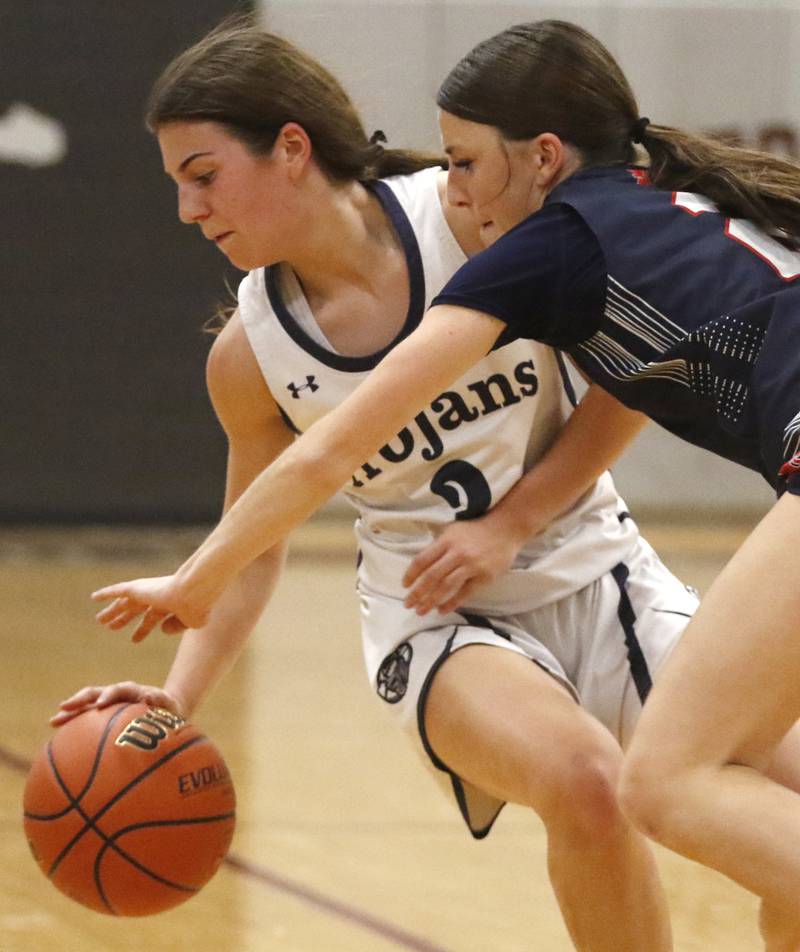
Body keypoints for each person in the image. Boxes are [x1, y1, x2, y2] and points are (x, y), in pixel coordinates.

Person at [78, 19, 800, 946]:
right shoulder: (250, 357)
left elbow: (638, 371)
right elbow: (259, 538)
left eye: (203, 174)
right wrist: (177, 698)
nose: (187, 209)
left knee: (768, 793)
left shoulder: (473, 215)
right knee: (585, 779)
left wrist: (515, 519)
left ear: (290, 149)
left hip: (596, 564)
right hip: (437, 620)